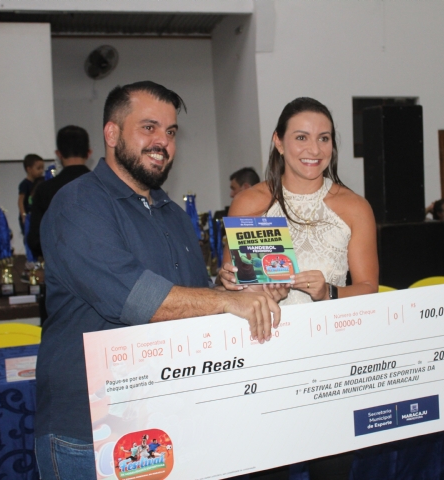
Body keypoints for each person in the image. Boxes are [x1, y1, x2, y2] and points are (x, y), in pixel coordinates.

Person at [34, 81, 285, 480]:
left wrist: (235, 290)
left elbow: (190, 304)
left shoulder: (173, 215)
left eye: (170, 132)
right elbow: (135, 298)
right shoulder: (77, 204)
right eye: (148, 127)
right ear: (112, 133)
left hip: (164, 423)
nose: (162, 142)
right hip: (90, 433)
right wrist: (224, 302)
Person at [219, 97, 379, 306]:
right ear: (279, 142)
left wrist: (328, 292)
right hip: (267, 326)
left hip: (330, 325)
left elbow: (369, 288)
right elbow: (232, 291)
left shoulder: (355, 208)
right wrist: (232, 283)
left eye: (323, 138)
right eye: (302, 138)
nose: (315, 150)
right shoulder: (248, 203)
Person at [27, 125, 92, 260]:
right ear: (89, 153)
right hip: (99, 268)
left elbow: (35, 240)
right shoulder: (105, 187)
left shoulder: (44, 190)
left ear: (58, 154)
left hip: (60, 266)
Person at [18, 154, 44, 234]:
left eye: (42, 168)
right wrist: (24, 215)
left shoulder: (41, 182)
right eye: (38, 168)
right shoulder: (25, 184)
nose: (41, 171)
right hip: (28, 216)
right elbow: (20, 201)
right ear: (29, 169)